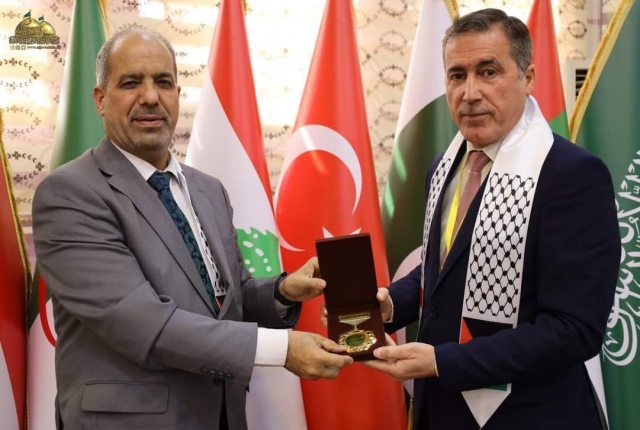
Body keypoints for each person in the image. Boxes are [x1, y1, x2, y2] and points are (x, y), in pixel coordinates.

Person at [32, 29, 352, 430]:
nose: (150, 96)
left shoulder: (208, 189)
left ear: (178, 94)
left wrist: (282, 291)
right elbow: (143, 323)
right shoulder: (70, 194)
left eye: (163, 82)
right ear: (100, 99)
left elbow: (224, 299)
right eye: (131, 83)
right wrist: (281, 348)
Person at [359, 8, 620, 430]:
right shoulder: (444, 167)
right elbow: (442, 270)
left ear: (528, 78)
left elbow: (574, 329)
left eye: (488, 72)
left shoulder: (572, 176)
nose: (470, 93)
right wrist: (389, 304)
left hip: (529, 417)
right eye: (457, 75)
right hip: (438, 412)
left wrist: (443, 361)